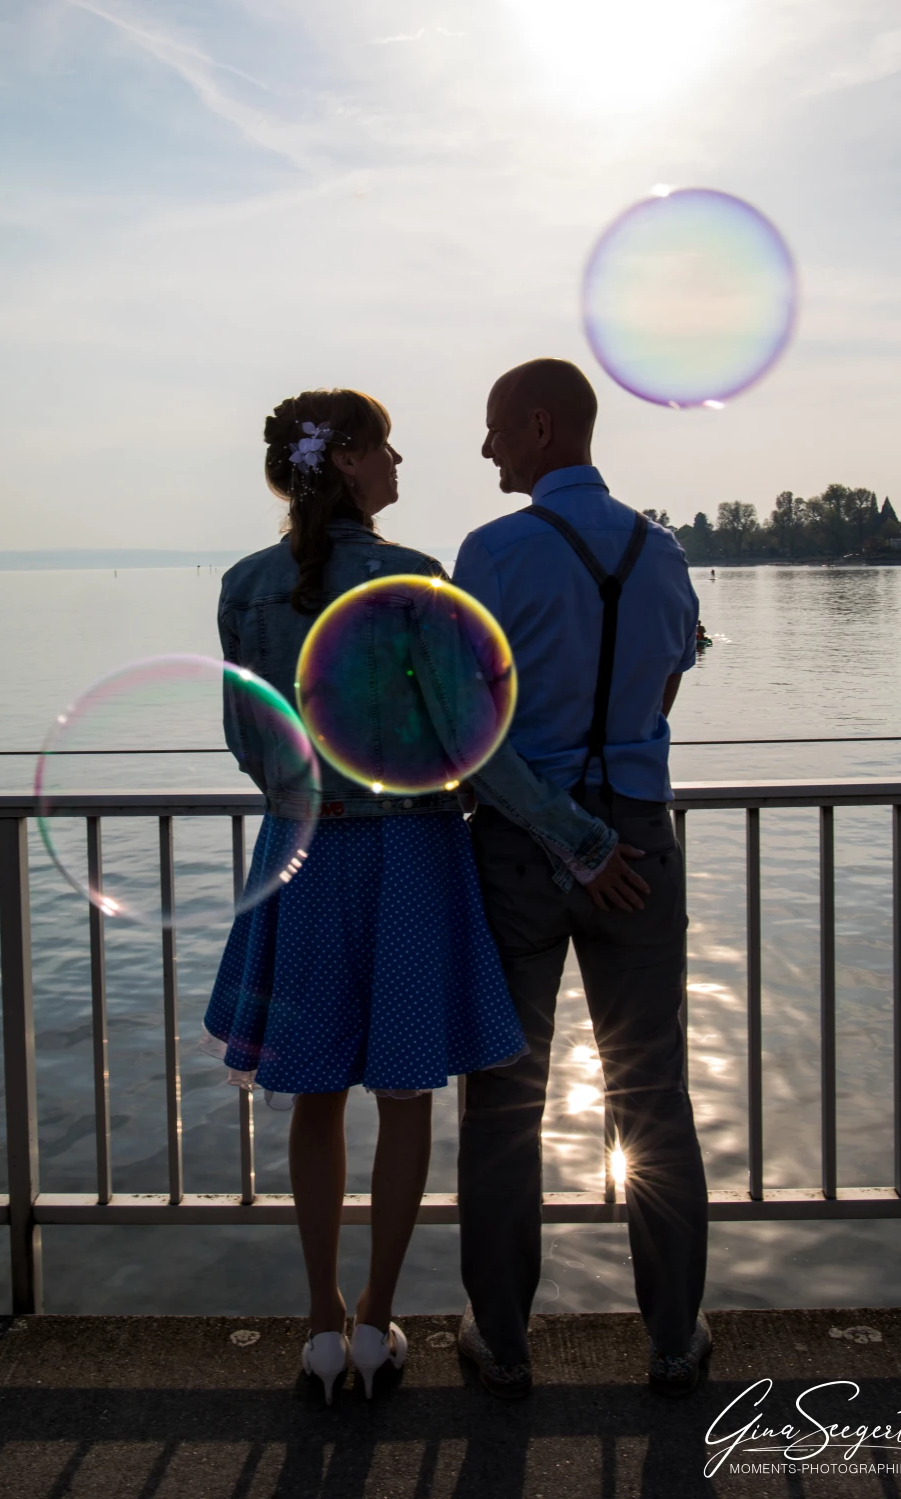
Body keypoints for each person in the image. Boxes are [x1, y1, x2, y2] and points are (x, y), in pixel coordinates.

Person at [202, 387, 630, 1405]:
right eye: (386, 447)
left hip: (303, 857)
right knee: (402, 1097)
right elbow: (475, 748)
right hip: (410, 858)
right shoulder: (411, 579)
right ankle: (375, 1322)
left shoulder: (243, 587)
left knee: (310, 1093)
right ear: (346, 460)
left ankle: (316, 1327)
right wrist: (579, 842)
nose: (401, 463)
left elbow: (249, 746)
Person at [453, 358, 710, 1400]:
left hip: (520, 848)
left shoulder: (494, 552)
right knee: (653, 1096)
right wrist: (608, 826)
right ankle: (673, 1341)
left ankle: (503, 1343)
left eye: (496, 431)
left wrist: (564, 834)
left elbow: (465, 732)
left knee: (505, 1100)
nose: (485, 451)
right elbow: (665, 685)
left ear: (541, 425)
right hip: (640, 847)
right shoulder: (666, 551)